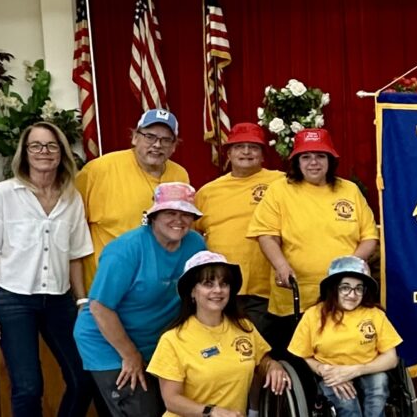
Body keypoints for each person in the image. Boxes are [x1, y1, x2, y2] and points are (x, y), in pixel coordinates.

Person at [0, 122, 95, 416]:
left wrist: (81, 302)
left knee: (84, 378)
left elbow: (75, 257)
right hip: (13, 300)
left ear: (62, 153)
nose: (44, 152)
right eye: (36, 146)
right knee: (28, 388)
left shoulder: (71, 198)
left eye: (51, 146)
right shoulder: (3, 194)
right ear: (25, 153)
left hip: (59, 300)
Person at [73, 182, 207, 416]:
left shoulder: (196, 244)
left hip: (155, 341)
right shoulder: (125, 250)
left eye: (186, 214)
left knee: (171, 407)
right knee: (140, 409)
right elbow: (100, 307)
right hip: (108, 342)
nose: (179, 220)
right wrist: (130, 355)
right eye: (170, 213)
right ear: (153, 216)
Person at [248, 128, 379, 349]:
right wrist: (280, 265)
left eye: (320, 156)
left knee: (347, 352)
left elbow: (369, 237)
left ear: (330, 160)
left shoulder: (349, 190)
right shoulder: (280, 190)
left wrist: (346, 270)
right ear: (297, 162)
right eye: (306, 157)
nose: (313, 163)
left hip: (344, 295)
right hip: (295, 298)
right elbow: (266, 234)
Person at [147, 251, 290, 417]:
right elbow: (172, 400)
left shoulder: (244, 326)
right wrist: (211, 412)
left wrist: (273, 366)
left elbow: (261, 360)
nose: (218, 290)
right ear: (192, 291)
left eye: (224, 284)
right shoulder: (172, 339)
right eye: (208, 284)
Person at [76, 108, 190, 287]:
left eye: (166, 140)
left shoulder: (180, 175)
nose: (157, 145)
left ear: (174, 146)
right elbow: (72, 227)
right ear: (135, 137)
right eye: (149, 136)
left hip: (158, 286)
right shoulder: (98, 170)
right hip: (108, 284)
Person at [196, 122, 284, 335]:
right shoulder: (208, 192)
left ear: (263, 155)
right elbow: (193, 233)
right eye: (239, 146)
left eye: (253, 147)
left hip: (265, 291)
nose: (246, 152)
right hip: (219, 289)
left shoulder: (281, 182)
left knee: (260, 353)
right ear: (228, 153)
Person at [288, 256, 402, 417]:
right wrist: (324, 370)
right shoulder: (313, 315)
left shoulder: (374, 314)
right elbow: (303, 355)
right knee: (347, 404)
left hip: (367, 369)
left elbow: (391, 359)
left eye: (358, 288)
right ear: (334, 288)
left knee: (379, 383)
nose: (352, 294)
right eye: (345, 288)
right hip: (332, 373)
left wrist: (355, 370)